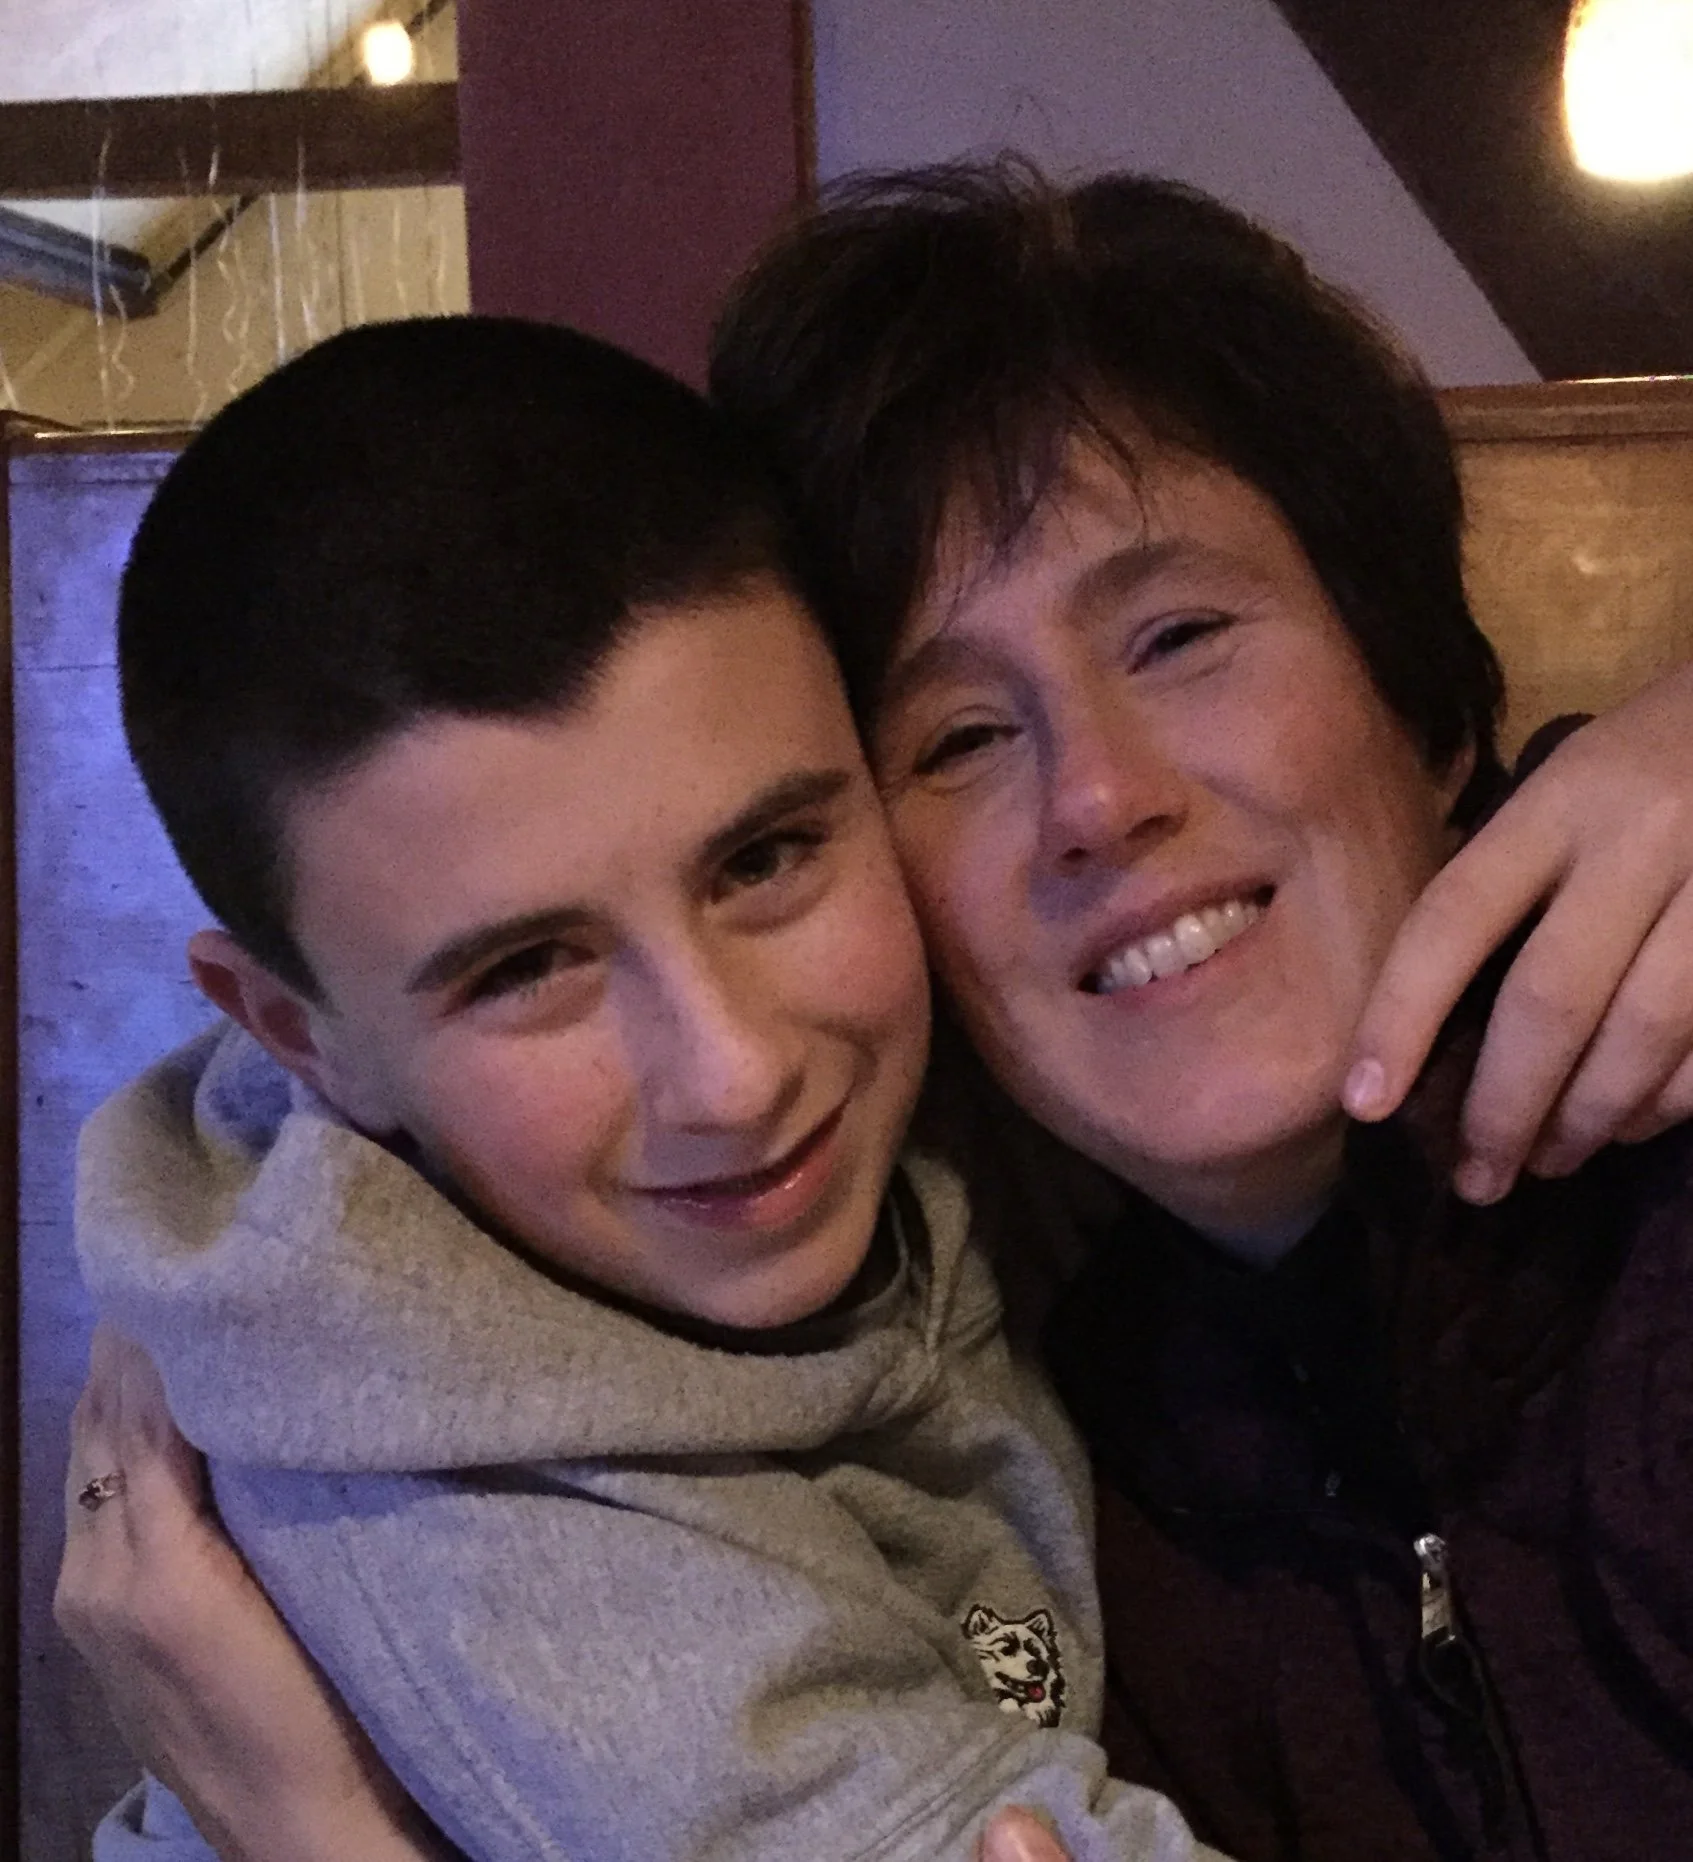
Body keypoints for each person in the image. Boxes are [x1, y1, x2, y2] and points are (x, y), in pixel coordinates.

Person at [59, 166, 1693, 1862]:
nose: (737, 1064)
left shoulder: (976, 1271)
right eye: (961, 738)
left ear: (1426, 700)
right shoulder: (1014, 1377)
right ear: (301, 1036)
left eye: (1183, 633)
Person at [71, 310, 1234, 1862]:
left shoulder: (910, 1062)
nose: (737, 1071)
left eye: (766, 859)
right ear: (298, 1032)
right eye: (526, 970)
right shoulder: (501, 1557)